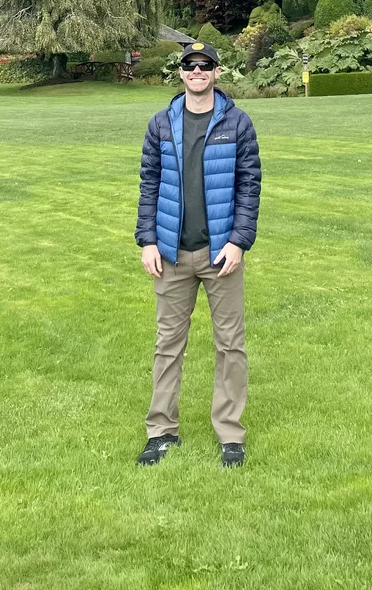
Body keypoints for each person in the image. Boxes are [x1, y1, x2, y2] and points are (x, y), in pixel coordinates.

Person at [134, 39, 262, 468]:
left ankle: (230, 435)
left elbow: (249, 186)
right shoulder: (160, 124)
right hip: (170, 253)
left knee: (230, 345)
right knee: (168, 344)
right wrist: (148, 240)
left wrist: (238, 241)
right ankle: (161, 432)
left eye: (205, 65)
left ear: (217, 73)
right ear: (181, 72)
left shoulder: (237, 123)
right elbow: (149, 184)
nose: (197, 71)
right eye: (190, 65)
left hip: (220, 254)